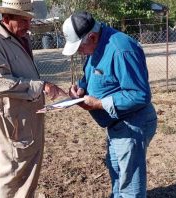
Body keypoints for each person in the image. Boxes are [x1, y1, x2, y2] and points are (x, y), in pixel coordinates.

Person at [0, 0, 66, 198]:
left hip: (28, 117)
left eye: (29, 20)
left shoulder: (21, 38)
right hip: (12, 121)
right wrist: (41, 85)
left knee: (30, 170)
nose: (28, 26)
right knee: (13, 172)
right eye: (23, 21)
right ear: (6, 17)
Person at [62, 11, 157, 197]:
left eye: (80, 47)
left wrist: (99, 103)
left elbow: (140, 94)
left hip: (132, 125)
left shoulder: (121, 48)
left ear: (92, 36)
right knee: (116, 171)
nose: (80, 52)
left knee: (130, 184)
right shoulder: (96, 45)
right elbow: (93, 74)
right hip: (116, 125)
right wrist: (81, 89)